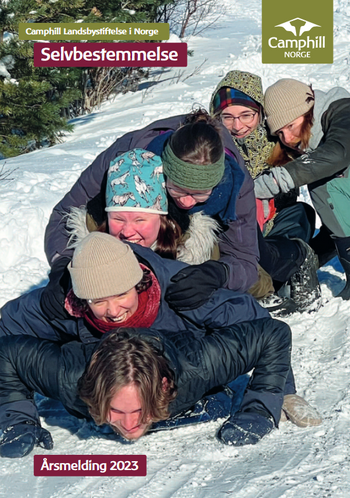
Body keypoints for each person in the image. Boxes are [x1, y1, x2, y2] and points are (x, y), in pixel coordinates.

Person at [0, 232, 321, 456]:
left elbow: (260, 326)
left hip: (179, 362)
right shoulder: (68, 306)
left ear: (137, 283)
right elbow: (6, 336)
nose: (113, 311)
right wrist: (15, 413)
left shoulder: (183, 294)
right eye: (98, 301)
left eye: (121, 296)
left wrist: (278, 392)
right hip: (107, 372)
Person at [0, 311, 315, 457]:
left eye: (138, 410)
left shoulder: (200, 365)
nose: (128, 425)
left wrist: (260, 408)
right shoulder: (68, 377)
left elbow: (273, 334)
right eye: (115, 411)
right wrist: (17, 417)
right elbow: (7, 353)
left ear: (165, 387)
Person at [43, 110, 260, 313]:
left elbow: (245, 258)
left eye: (200, 194)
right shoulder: (126, 156)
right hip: (155, 221)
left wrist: (217, 273)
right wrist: (63, 267)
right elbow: (65, 213)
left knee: (261, 274)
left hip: (200, 233)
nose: (186, 201)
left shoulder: (235, 186)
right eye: (177, 189)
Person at [209, 70, 320, 313]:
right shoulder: (209, 149)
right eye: (227, 117)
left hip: (274, 225)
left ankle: (294, 261)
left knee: (302, 213)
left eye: (246, 115)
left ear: (260, 113)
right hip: (233, 232)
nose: (237, 126)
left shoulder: (282, 139)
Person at [254, 78, 350, 300]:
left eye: (290, 125)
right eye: (279, 132)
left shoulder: (343, 110)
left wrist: (276, 181)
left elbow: (338, 153)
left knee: (324, 181)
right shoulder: (306, 135)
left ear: (309, 110)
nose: (287, 138)